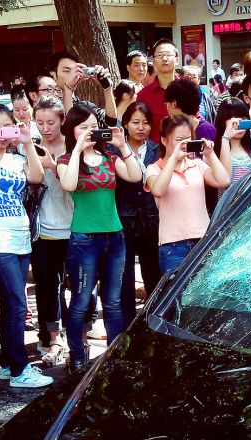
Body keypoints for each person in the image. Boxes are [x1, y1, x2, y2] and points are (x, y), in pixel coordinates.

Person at [0, 104, 53, 388]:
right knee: (16, 303)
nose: (1, 133)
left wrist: (27, 143)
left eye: (7, 127)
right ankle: (19, 369)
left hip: (20, 237)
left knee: (13, 304)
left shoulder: (17, 159)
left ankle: (7, 364)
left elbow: (37, 177)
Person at [56, 103, 142, 370]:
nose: (89, 132)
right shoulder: (65, 160)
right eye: (83, 127)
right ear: (71, 131)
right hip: (84, 239)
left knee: (113, 301)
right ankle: (78, 356)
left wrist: (122, 145)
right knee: (81, 300)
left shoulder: (109, 157)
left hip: (114, 237)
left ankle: (112, 357)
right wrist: (78, 151)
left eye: (94, 126)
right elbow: (68, 185)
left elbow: (135, 175)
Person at [146, 114, 229, 276]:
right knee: (176, 296)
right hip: (173, 247)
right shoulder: (154, 168)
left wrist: (210, 154)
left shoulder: (197, 164)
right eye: (179, 140)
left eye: (188, 139)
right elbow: (158, 190)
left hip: (203, 241)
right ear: (164, 140)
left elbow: (223, 180)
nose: (184, 144)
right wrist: (173, 158)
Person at [31, 96, 73, 367]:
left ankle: (75, 335)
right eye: (40, 123)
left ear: (62, 121)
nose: (46, 128)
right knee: (47, 286)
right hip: (42, 229)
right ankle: (53, 336)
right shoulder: (29, 147)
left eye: (51, 123)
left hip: (74, 226)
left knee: (80, 287)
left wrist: (53, 164)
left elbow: (74, 184)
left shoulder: (72, 145)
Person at [116, 101, 163, 323]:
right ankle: (126, 325)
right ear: (125, 124)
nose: (140, 127)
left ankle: (152, 322)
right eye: (135, 122)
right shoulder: (115, 149)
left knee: (153, 274)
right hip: (123, 220)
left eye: (145, 123)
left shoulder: (156, 149)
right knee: (124, 278)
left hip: (152, 219)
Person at [49, 49, 118, 126]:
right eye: (67, 71)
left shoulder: (85, 106)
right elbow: (69, 126)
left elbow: (111, 122)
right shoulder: (48, 105)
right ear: (53, 75)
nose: (73, 75)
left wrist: (107, 87)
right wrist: (68, 88)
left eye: (76, 71)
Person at [215, 98, 251, 194]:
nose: (239, 123)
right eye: (234, 119)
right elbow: (225, 180)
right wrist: (226, 139)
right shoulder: (214, 153)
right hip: (229, 207)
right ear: (223, 121)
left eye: (243, 119)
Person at [137, 38, 179, 141]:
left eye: (168, 55)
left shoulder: (188, 90)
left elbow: (196, 120)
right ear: (153, 61)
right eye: (160, 55)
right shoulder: (143, 95)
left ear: (177, 60)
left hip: (184, 150)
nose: (164, 58)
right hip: (154, 152)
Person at [165, 78, 217, 142]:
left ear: (174, 104)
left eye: (166, 104)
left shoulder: (206, 129)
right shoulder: (171, 129)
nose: (166, 108)